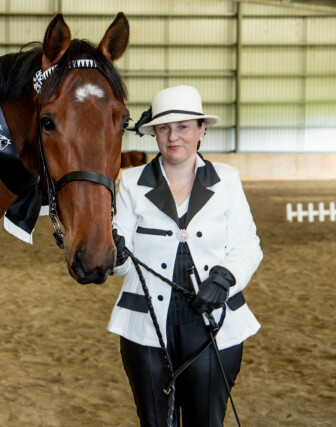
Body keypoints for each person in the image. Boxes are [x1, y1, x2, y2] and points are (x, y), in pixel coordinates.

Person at [108, 85, 262, 426]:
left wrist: (225, 279)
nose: (173, 136)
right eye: (164, 128)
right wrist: (114, 253)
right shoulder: (131, 182)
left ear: (201, 130)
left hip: (212, 325)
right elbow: (122, 262)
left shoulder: (226, 180)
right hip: (146, 329)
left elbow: (247, 244)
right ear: (155, 134)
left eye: (183, 127)